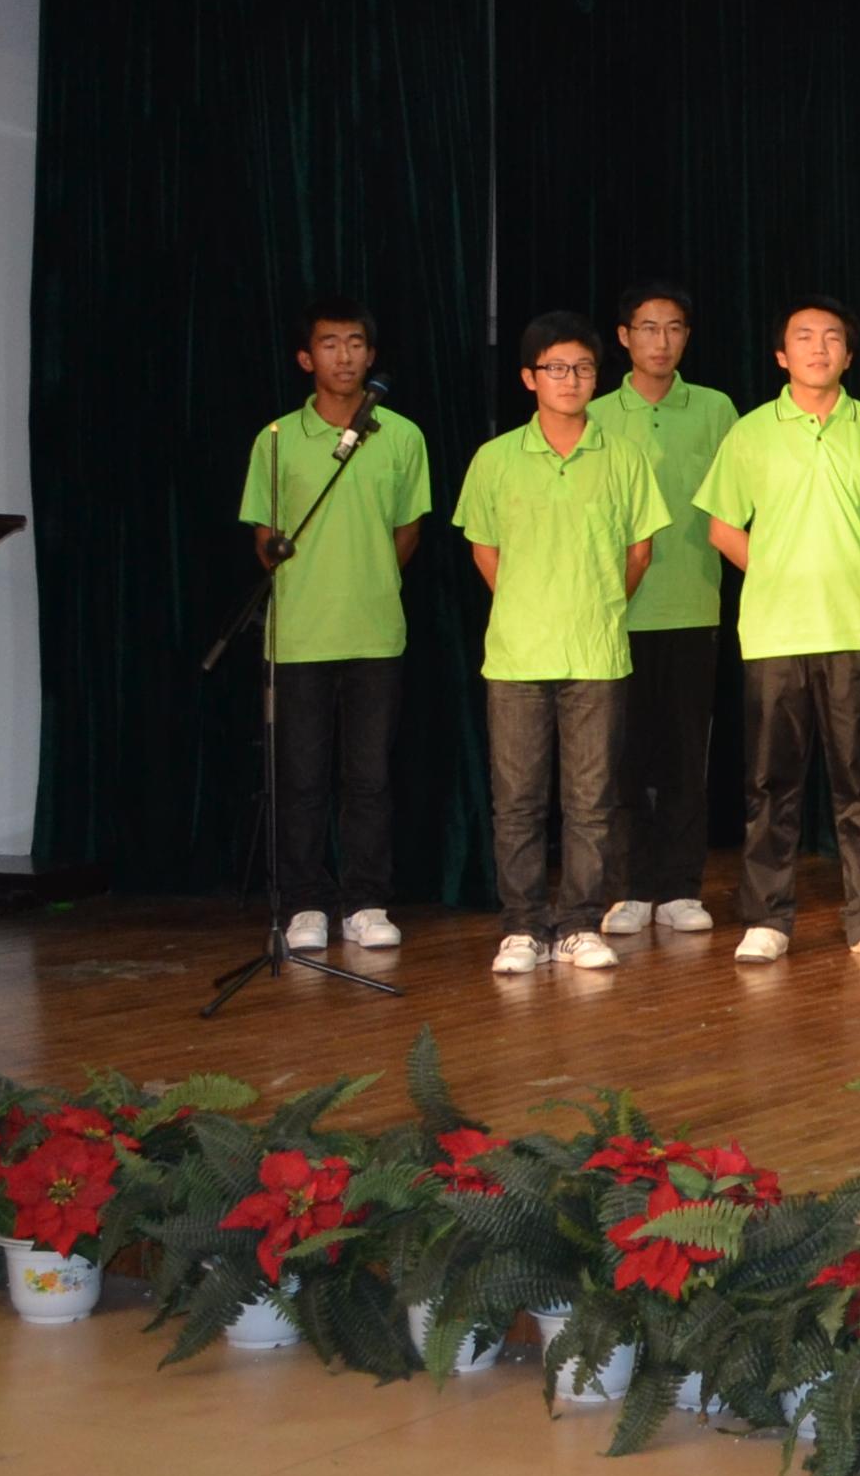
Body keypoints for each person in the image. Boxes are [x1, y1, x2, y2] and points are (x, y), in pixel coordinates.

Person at [693, 296, 860, 965]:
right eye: (803, 337)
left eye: (831, 338)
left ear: (849, 356)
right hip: (774, 633)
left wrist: (854, 567)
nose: (818, 348)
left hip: (856, 629)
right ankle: (766, 918)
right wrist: (779, 570)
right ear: (780, 355)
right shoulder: (750, 433)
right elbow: (722, 528)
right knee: (771, 784)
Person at [456, 310, 669, 976]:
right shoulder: (495, 459)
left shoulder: (624, 456)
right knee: (517, 801)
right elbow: (484, 550)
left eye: (582, 368)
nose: (570, 379)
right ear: (529, 378)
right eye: (555, 368)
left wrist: (595, 605)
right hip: (517, 654)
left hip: (596, 652)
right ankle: (522, 927)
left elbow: (640, 551)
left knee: (591, 802)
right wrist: (531, 605)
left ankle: (578, 923)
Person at [238, 297, 430, 954]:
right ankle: (305, 904)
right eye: (329, 344)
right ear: (305, 358)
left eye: (355, 343)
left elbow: (408, 531)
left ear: (370, 355)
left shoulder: (401, 436)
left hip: (374, 632)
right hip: (299, 635)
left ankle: (366, 902)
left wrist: (365, 577)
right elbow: (265, 534)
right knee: (300, 778)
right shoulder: (276, 438)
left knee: (369, 777)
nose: (344, 356)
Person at [596, 282, 738, 942]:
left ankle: (682, 886)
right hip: (614, 611)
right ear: (624, 337)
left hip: (692, 604)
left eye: (674, 328)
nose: (661, 341)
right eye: (648, 328)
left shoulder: (715, 409)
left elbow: (737, 501)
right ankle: (628, 886)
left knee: (685, 758)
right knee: (621, 759)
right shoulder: (595, 413)